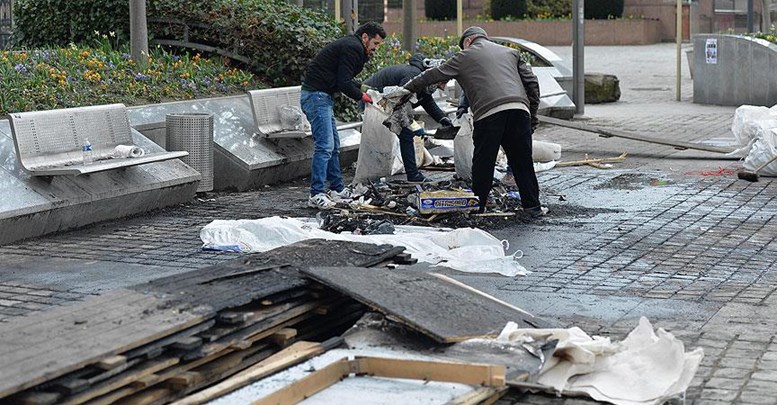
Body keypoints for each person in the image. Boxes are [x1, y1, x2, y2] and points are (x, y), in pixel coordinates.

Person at [403, 26, 547, 216]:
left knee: (483, 162)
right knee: (522, 161)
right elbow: (532, 83)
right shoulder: (511, 52)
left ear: (468, 41)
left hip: (489, 113)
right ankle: (533, 207)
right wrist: (532, 114)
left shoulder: (465, 56)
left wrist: (405, 90)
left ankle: (478, 206)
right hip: (519, 110)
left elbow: (431, 75)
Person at [300, 22, 387, 209]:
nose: (375, 49)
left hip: (321, 97)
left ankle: (337, 189)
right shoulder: (353, 48)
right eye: (375, 44)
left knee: (334, 147)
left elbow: (342, 78)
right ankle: (316, 194)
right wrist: (363, 96)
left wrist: (362, 88)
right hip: (316, 98)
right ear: (365, 37)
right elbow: (343, 82)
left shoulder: (352, 46)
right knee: (325, 147)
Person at [362, 54, 453, 182]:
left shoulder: (422, 79)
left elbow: (426, 100)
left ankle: (406, 174)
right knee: (404, 134)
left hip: (384, 101)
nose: (442, 87)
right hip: (372, 100)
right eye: (443, 82)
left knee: (404, 134)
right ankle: (412, 175)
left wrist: (442, 119)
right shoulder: (412, 76)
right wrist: (414, 126)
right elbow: (400, 104)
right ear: (435, 75)